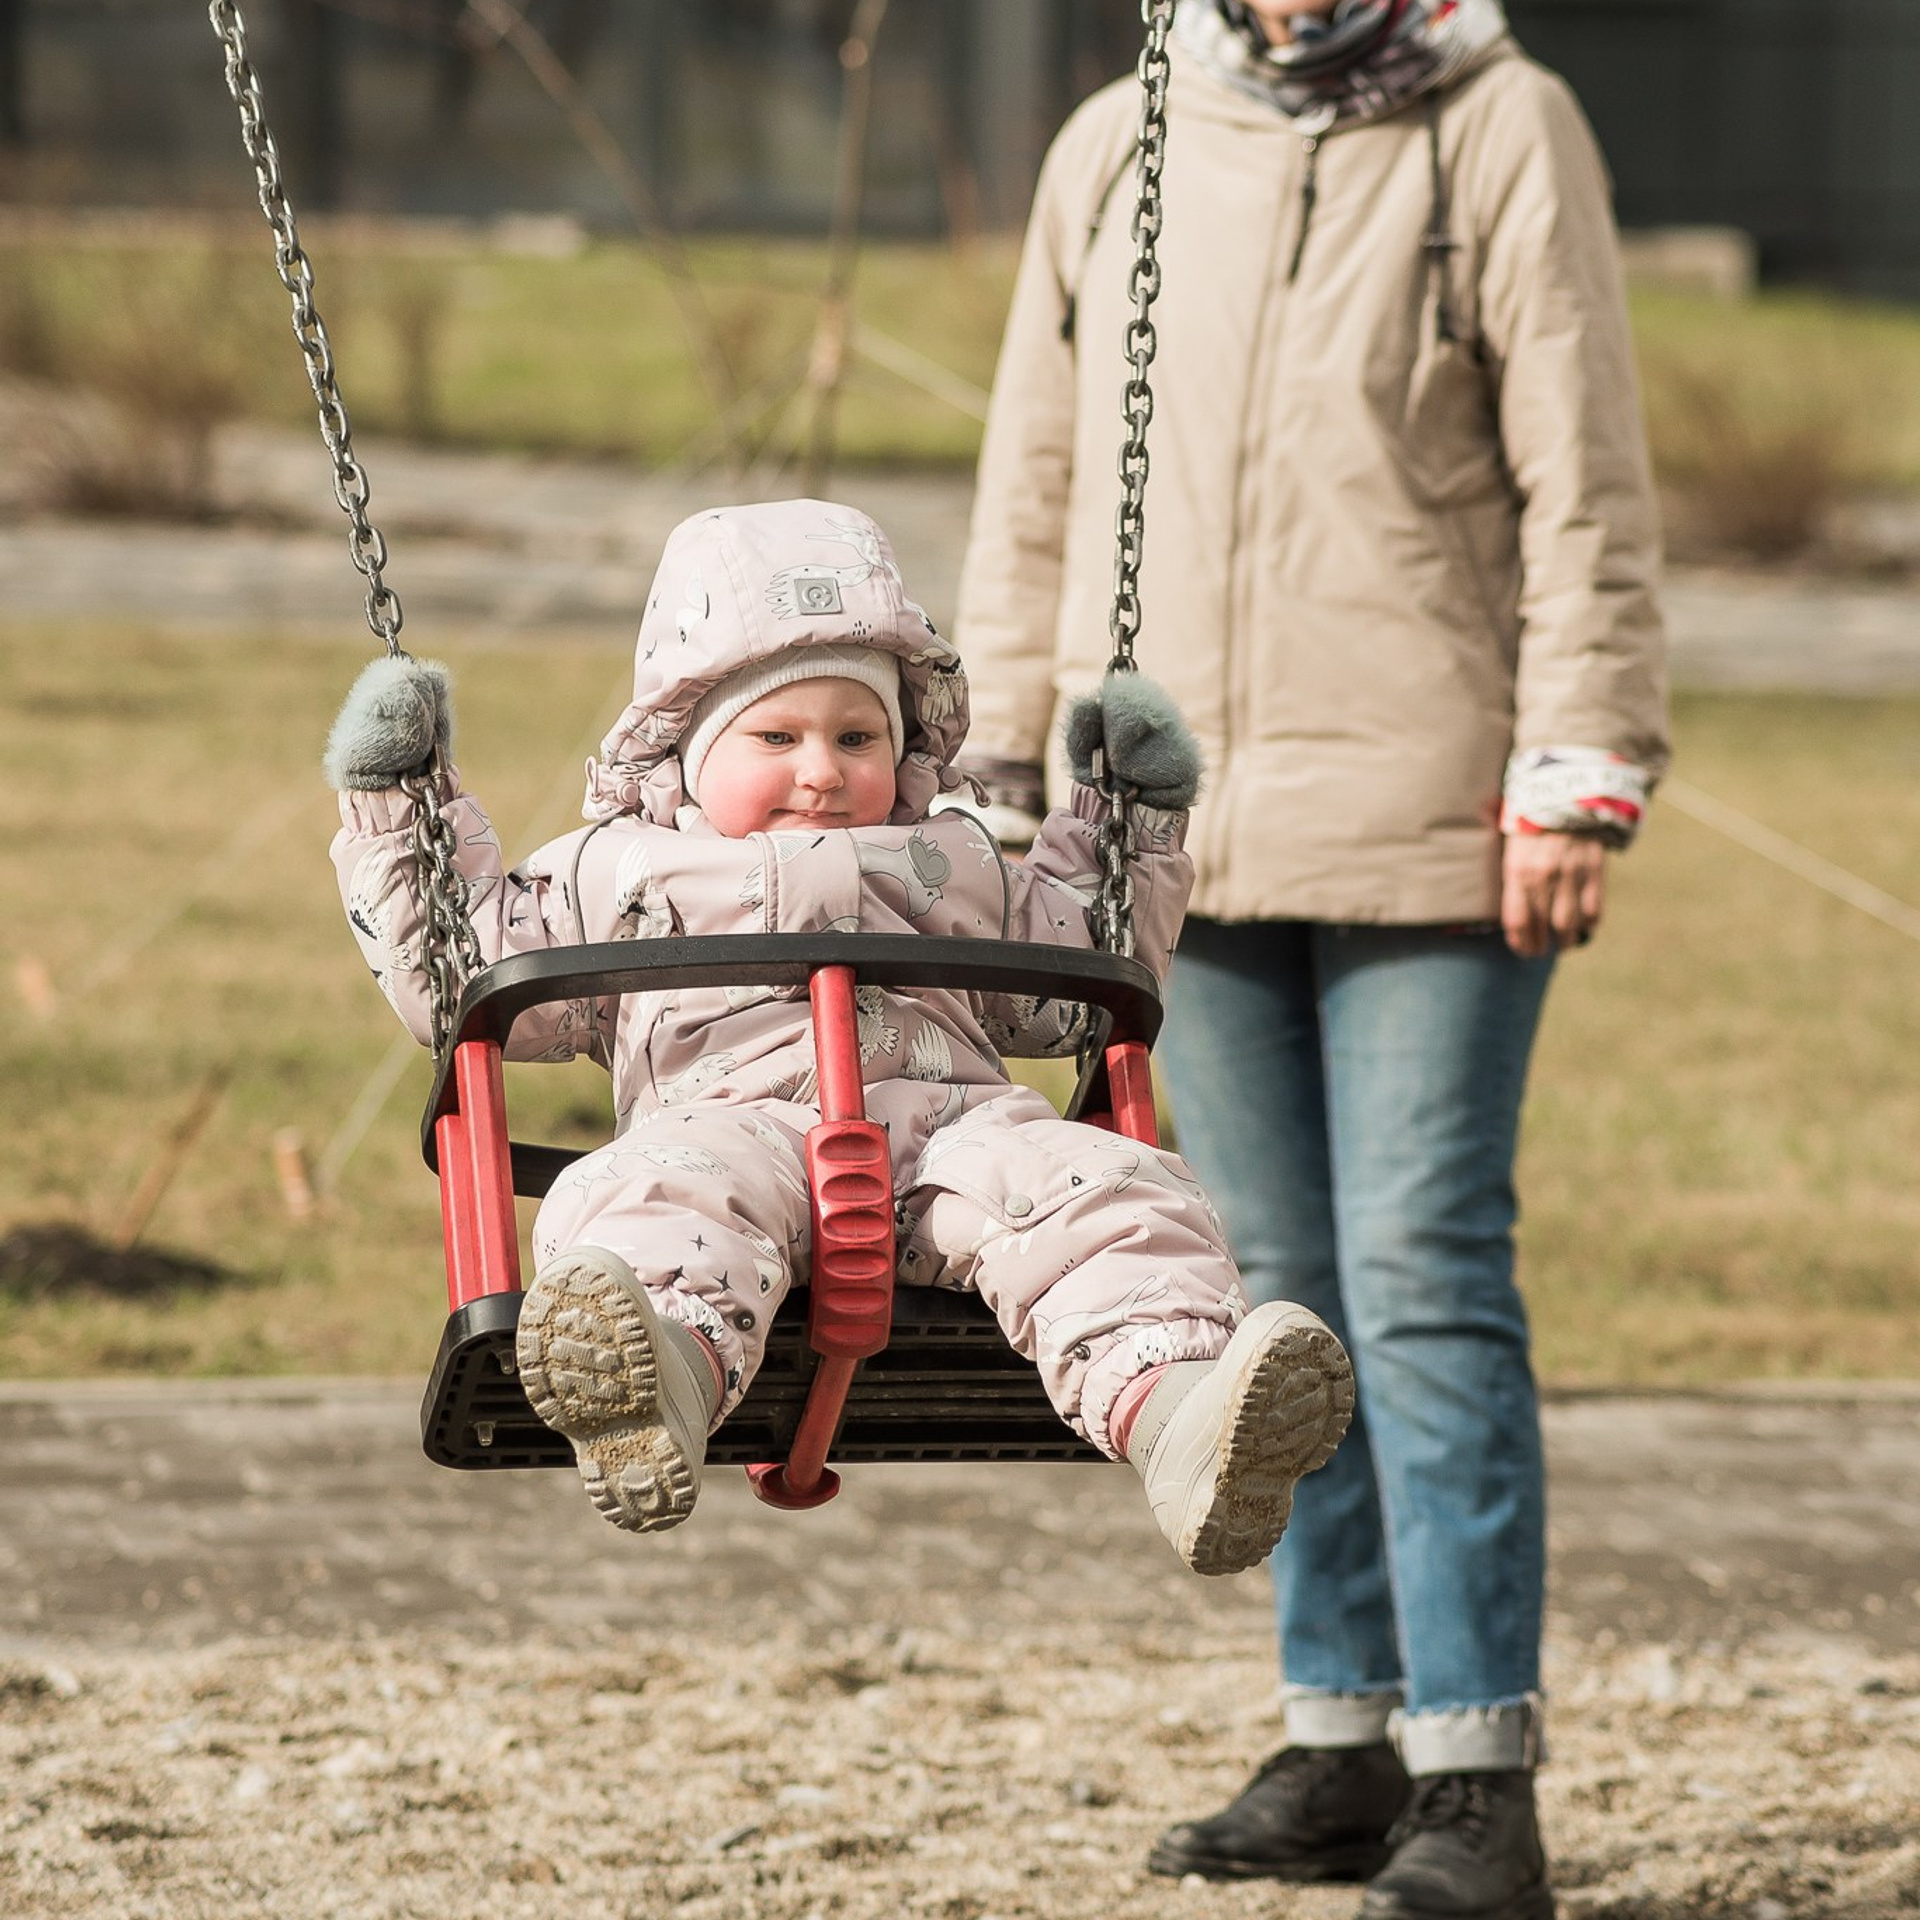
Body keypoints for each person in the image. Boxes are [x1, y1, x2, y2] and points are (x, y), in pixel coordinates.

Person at [953, 1, 1670, 1916]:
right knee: (1272, 1295)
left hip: (1437, 810)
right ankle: (1342, 1732)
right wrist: (1003, 776)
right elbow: (1034, 487)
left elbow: (1586, 476)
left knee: (1427, 1283)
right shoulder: (1122, 140)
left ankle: (1475, 1774)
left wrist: (1575, 774)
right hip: (1174, 830)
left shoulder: (1500, 128)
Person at [322, 498, 1355, 1574]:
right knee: (646, 1201)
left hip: (955, 1138)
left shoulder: (948, 856)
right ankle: (648, 1386)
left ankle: (1186, 1420)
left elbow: (1076, 989)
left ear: (904, 748)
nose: (822, 769)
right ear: (687, 750)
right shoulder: (615, 868)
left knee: (1111, 1192)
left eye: (857, 737)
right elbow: (466, 978)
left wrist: (1128, 822)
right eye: (777, 737)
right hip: (726, 1129)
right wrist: (403, 806)